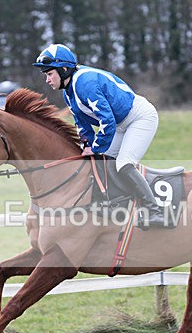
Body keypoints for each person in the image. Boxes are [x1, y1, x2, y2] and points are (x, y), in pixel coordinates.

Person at [32, 43, 167, 228]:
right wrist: (87, 145)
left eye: (49, 74)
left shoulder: (85, 84)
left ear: (63, 70)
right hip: (120, 124)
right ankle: (115, 204)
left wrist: (95, 148)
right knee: (100, 161)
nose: (47, 80)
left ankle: (155, 212)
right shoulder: (69, 92)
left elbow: (107, 121)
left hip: (139, 118)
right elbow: (82, 123)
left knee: (124, 164)